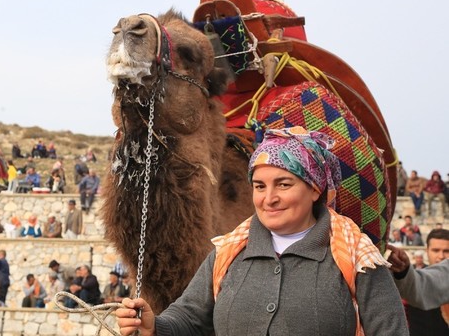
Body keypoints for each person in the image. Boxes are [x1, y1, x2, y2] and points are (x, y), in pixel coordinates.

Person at [116, 127, 407, 335]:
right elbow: (190, 317)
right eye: (259, 186)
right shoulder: (228, 253)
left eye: (283, 184)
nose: (269, 198)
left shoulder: (359, 259)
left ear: (315, 189)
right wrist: (156, 326)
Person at [389, 229, 449, 336]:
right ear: (427, 251)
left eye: (447, 251)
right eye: (436, 250)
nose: (441, 256)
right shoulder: (414, 279)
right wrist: (403, 271)